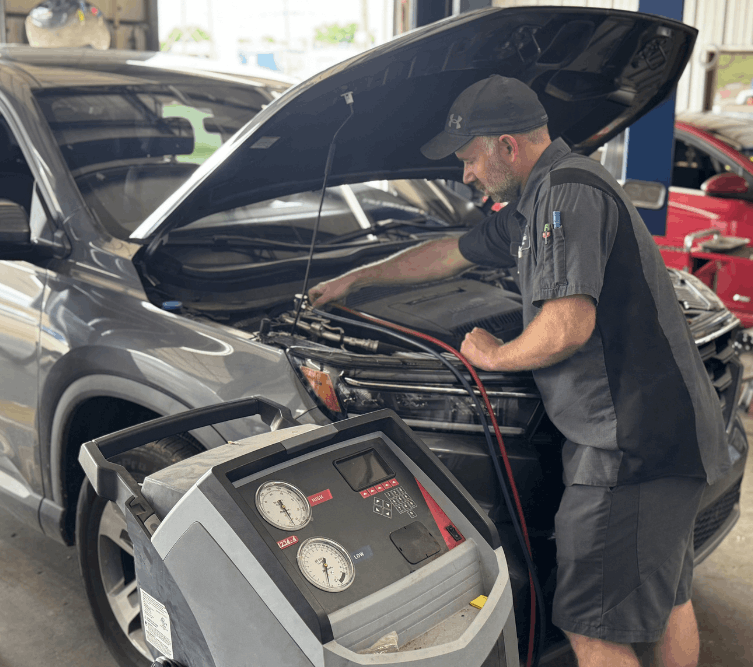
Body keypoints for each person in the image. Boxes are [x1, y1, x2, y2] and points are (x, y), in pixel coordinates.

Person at [309, 75, 731, 667]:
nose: (466, 176)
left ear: (507, 146)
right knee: (665, 599)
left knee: (591, 625)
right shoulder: (541, 199)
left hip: (627, 448)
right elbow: (453, 251)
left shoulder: (564, 196)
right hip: (665, 438)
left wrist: (493, 355)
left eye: (470, 159)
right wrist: (359, 277)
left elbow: (567, 326)